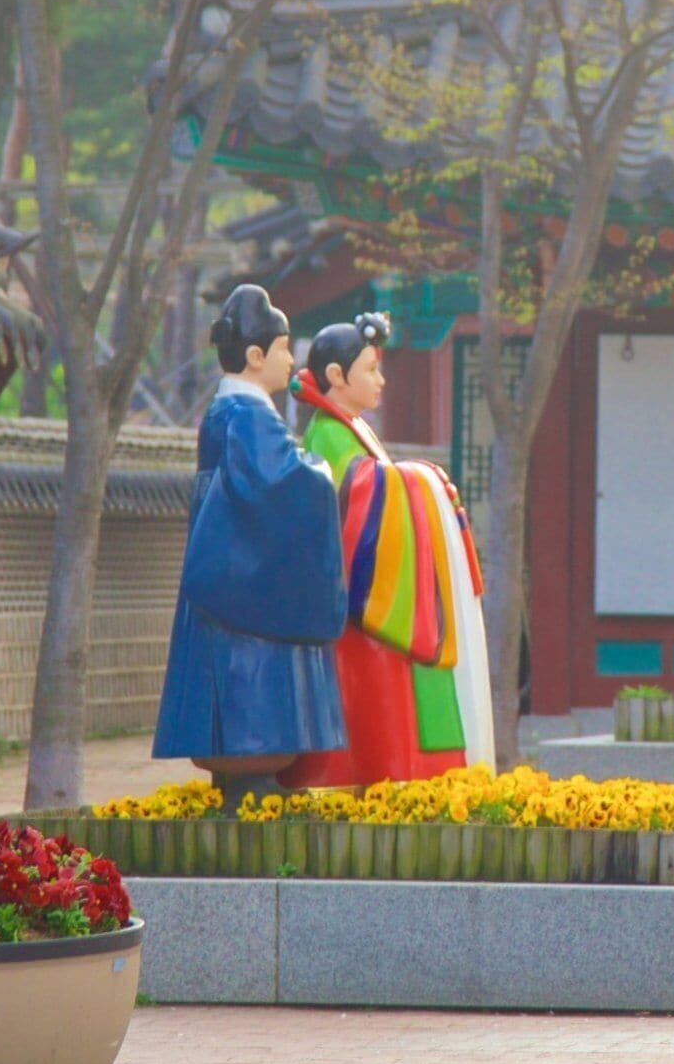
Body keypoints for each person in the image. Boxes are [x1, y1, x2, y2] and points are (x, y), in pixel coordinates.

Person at [151, 285, 349, 784]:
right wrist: (322, 471)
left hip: (228, 580)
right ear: (256, 355)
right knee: (250, 694)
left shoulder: (233, 410)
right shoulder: (246, 413)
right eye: (284, 350)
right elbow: (280, 481)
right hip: (242, 590)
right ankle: (252, 776)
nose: (291, 361)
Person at [282, 315, 485, 787]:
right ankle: (378, 777)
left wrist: (410, 481)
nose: (381, 380)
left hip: (371, 604)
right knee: (374, 698)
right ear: (337, 377)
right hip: (358, 610)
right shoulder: (327, 434)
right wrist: (414, 481)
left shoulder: (349, 427)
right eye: (371, 370)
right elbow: (355, 497)